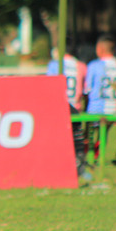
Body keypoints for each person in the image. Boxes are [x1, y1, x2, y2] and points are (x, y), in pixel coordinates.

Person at [46, 44, 89, 178]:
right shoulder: (81, 66)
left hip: (59, 106)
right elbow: (86, 91)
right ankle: (79, 159)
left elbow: (49, 86)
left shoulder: (54, 64)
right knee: (76, 136)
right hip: (75, 106)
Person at [83, 34, 116, 156]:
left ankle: (90, 150)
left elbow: (87, 89)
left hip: (96, 109)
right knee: (106, 128)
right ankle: (102, 150)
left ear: (99, 49)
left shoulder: (93, 66)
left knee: (89, 126)